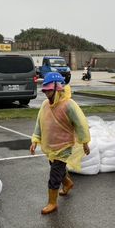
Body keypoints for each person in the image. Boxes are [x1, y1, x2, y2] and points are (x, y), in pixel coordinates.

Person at [30, 72, 90, 215]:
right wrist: (35, 140)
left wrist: (85, 142)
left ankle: (52, 203)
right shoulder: (45, 105)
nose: (46, 93)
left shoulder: (69, 105)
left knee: (54, 174)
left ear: (58, 88)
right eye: (45, 90)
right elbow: (40, 123)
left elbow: (80, 124)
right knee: (57, 168)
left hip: (64, 146)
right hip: (51, 146)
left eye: (49, 90)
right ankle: (68, 182)